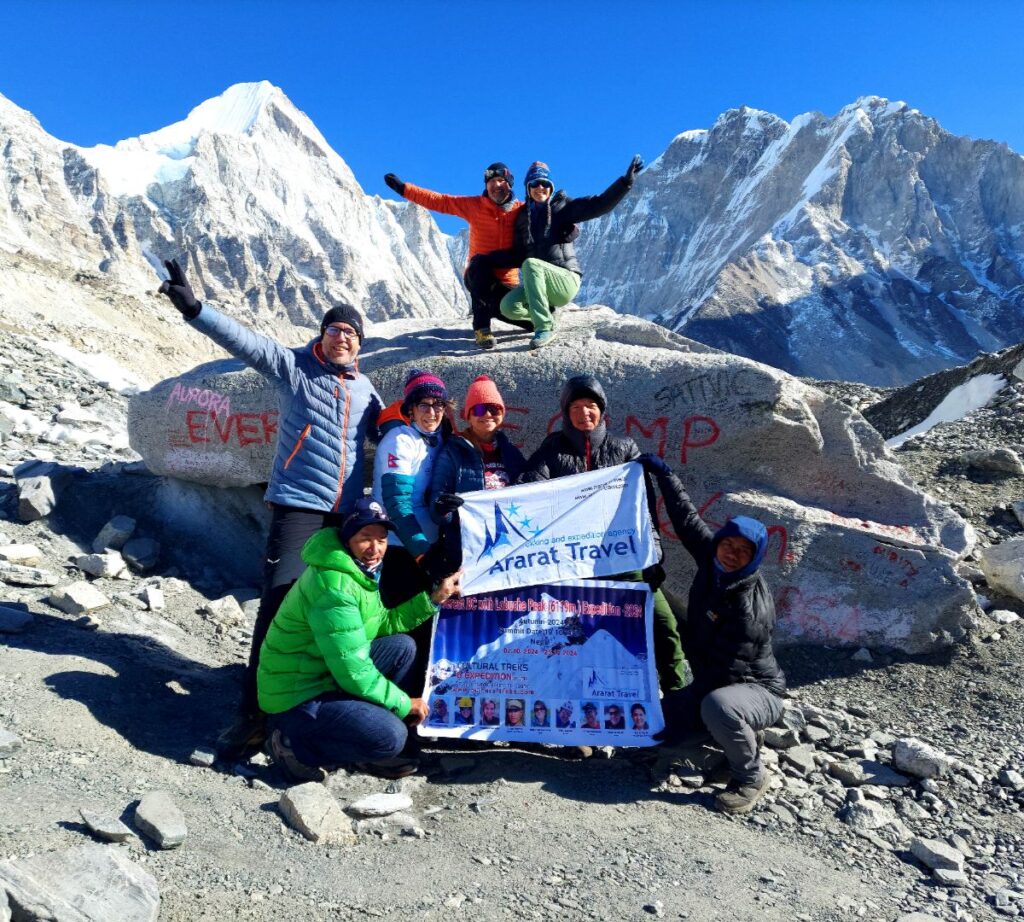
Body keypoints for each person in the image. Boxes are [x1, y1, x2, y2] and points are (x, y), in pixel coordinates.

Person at [157, 258, 383, 760]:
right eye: (334, 329)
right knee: (279, 607)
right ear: (322, 335)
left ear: (359, 345)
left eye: (350, 333)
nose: (341, 338)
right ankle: (253, 717)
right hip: (299, 508)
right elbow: (247, 343)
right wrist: (195, 310)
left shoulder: (365, 389)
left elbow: (388, 427)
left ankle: (310, 712)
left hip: (343, 519)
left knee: (333, 610)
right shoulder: (296, 368)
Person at [256, 497, 462, 781]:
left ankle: (362, 741)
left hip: (324, 675)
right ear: (347, 538)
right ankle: (293, 746)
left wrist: (434, 598)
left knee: (402, 647)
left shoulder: (359, 572)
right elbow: (353, 671)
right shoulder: (334, 587)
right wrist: (404, 703)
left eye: (382, 539)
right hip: (296, 695)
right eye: (365, 538)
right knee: (391, 737)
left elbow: (384, 623)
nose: (375, 548)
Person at [519, 374, 688, 694]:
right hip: (576, 565)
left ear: (602, 410)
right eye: (576, 407)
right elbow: (527, 492)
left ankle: (677, 694)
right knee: (578, 635)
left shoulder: (624, 449)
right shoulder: (552, 450)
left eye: (591, 406)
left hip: (625, 559)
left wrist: (654, 556)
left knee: (664, 624)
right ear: (565, 412)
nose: (584, 413)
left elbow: (645, 508)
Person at [637, 453, 786, 816]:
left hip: (754, 689)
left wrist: (689, 708)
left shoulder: (749, 606)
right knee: (655, 726)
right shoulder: (712, 559)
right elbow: (686, 518)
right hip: (717, 682)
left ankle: (750, 777)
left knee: (715, 709)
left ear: (755, 558)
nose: (733, 555)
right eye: (729, 545)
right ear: (720, 542)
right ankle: (731, 736)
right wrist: (664, 475)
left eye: (744, 552)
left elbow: (725, 673)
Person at [477, 157, 643, 350]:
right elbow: (517, 255)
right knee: (508, 306)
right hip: (540, 282)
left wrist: (624, 183)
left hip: (565, 279)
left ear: (551, 187)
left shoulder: (562, 208)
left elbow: (599, 204)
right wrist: (486, 259)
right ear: (528, 188)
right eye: (535, 183)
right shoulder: (522, 218)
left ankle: (544, 327)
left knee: (531, 264)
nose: (540, 188)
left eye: (545, 183)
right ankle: (548, 316)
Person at [383, 163, 531, 350]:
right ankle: (481, 329)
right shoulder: (474, 206)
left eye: (501, 180)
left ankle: (497, 310)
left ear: (509, 184)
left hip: (506, 285)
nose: (496, 185)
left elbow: (544, 215)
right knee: (481, 262)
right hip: (478, 276)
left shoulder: (521, 210)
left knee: (532, 323)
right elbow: (441, 201)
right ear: (486, 186)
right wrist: (404, 189)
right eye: (491, 181)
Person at [428, 375, 527, 568]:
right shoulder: (452, 452)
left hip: (510, 548)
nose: (487, 414)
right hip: (469, 549)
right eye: (479, 409)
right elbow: (436, 505)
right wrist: (442, 509)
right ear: (468, 416)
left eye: (494, 409)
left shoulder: (511, 452)